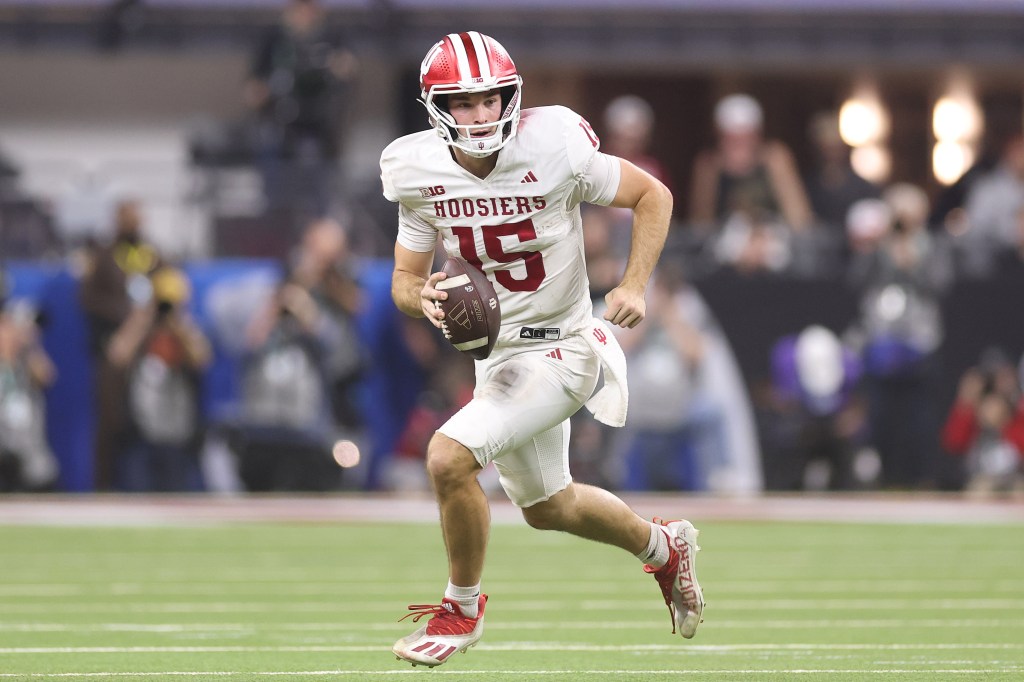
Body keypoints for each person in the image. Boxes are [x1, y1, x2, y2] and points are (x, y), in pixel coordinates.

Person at [380, 31, 704, 668]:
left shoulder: (552, 143)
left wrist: (634, 282)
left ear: (511, 97)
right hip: (498, 358)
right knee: (550, 508)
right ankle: (664, 548)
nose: (480, 114)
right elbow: (403, 280)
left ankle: (460, 608)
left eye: (490, 98)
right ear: (437, 107)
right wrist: (426, 299)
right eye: (463, 102)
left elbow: (652, 195)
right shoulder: (415, 170)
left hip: (562, 348)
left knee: (448, 457)